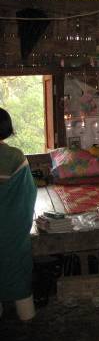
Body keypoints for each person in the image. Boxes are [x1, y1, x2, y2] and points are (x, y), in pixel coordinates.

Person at [0, 108, 37, 321]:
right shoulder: (15, 156)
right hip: (12, 229)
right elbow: (28, 195)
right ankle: (27, 317)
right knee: (17, 271)